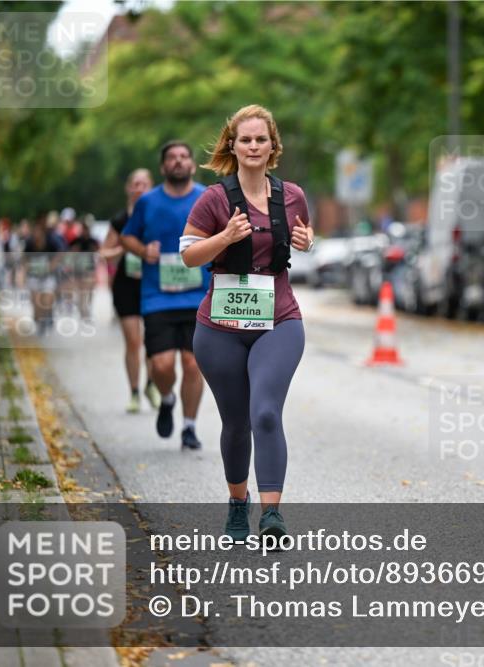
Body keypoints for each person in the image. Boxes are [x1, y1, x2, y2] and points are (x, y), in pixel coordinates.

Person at [181, 104, 313, 539]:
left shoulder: (292, 196)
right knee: (237, 423)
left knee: (266, 413)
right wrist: (225, 237)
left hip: (278, 320)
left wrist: (308, 241)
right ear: (232, 146)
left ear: (273, 146)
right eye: (246, 139)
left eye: (261, 139)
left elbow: (303, 235)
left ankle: (272, 514)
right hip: (220, 328)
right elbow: (188, 255)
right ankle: (239, 504)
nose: (254, 146)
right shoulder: (214, 199)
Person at [121, 141, 209, 450]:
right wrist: (144, 250)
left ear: (193, 165)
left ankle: (189, 427)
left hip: (199, 296)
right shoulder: (148, 202)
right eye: (172, 157)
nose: (178, 161)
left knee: (193, 364)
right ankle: (168, 398)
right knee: (161, 365)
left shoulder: (206, 198)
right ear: (163, 167)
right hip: (157, 296)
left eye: (184, 156)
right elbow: (127, 237)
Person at [101, 168, 160, 413]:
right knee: (133, 342)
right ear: (128, 188)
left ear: (152, 188)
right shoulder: (120, 220)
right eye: (135, 184)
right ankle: (134, 392)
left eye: (144, 184)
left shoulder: (157, 216)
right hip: (126, 286)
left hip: (153, 284)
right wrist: (126, 248)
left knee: (154, 341)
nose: (139, 188)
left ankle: (151, 385)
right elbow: (104, 253)